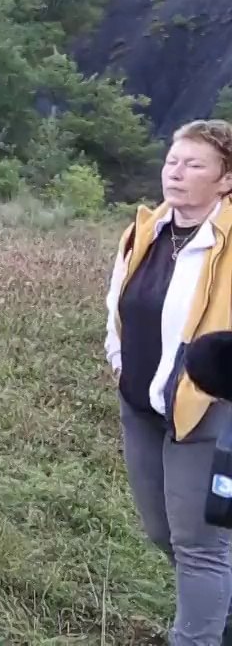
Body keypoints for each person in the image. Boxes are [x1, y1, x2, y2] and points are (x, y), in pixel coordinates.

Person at [104, 119, 232, 645]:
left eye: (194, 164)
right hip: (141, 404)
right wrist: (117, 357)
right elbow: (118, 303)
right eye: (172, 161)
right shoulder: (146, 229)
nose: (175, 172)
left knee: (200, 547)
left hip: (206, 410)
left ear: (226, 179)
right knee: (162, 532)